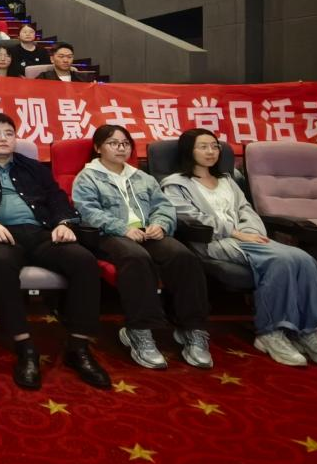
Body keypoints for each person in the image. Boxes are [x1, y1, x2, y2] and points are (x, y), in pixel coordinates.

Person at [0, 113, 110, 390]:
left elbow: (56, 197)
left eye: (9, 133)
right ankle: (24, 346)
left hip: (41, 232)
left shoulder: (33, 167)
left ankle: (79, 346)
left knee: (84, 261)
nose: (3, 138)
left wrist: (63, 223)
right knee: (0, 264)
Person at [162, 129, 317, 368]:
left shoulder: (227, 180)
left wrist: (251, 232)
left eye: (214, 146)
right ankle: (270, 332)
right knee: (280, 261)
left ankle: (308, 331)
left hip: (247, 238)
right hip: (212, 242)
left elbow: (245, 209)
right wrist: (235, 232)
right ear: (189, 151)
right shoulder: (175, 184)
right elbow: (189, 217)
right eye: (203, 147)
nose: (211, 152)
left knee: (303, 259)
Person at [72, 126, 212, 370]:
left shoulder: (142, 177)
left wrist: (160, 224)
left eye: (125, 143)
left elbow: (163, 206)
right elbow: (87, 211)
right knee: (136, 257)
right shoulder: (88, 177)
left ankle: (192, 328)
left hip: (147, 232)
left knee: (183, 256)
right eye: (113, 143)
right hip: (109, 235)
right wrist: (122, 228)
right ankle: (139, 330)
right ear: (98, 148)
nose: (120, 148)